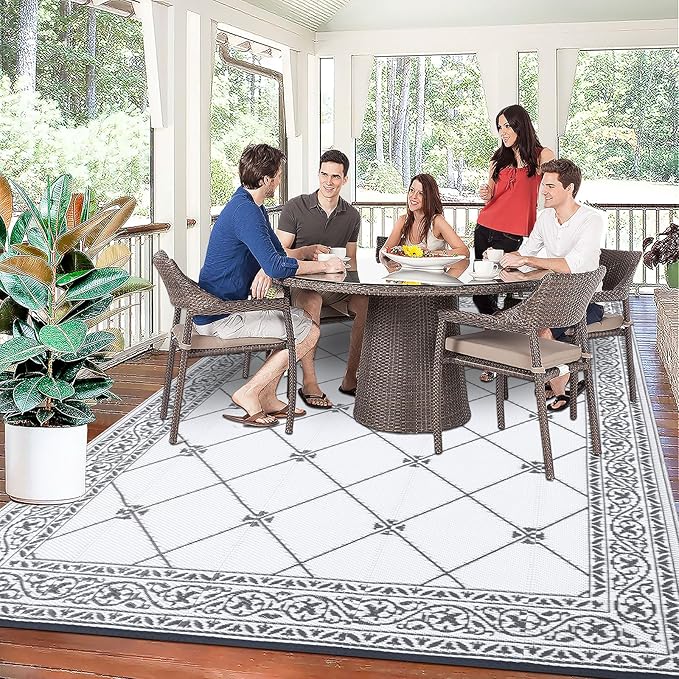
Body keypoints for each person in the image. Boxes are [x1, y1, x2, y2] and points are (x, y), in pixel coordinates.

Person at [194, 144, 344, 427]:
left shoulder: (251, 206)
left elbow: (277, 254)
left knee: (299, 324)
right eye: (278, 174)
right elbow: (275, 266)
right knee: (308, 331)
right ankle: (249, 392)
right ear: (266, 179)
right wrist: (325, 267)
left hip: (226, 308)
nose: (280, 179)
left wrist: (307, 251)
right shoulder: (246, 212)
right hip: (221, 316)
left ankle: (268, 396)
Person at [499, 158, 606, 412]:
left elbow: (572, 265)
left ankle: (561, 389)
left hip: (585, 301)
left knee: (540, 327)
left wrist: (527, 261)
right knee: (512, 319)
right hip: (551, 297)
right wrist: (506, 260)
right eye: (542, 185)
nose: (543, 191)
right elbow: (527, 252)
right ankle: (559, 375)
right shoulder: (545, 217)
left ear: (569, 189)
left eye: (550, 186)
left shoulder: (592, 220)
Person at [276, 149, 368, 408]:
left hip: (337, 288)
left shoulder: (352, 215)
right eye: (324, 174)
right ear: (318, 175)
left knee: (365, 302)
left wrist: (352, 279)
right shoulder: (296, 207)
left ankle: (351, 378)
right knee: (313, 300)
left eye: (335, 176)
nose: (329, 181)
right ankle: (309, 382)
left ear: (345, 179)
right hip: (302, 286)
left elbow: (351, 261)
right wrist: (309, 254)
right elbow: (280, 253)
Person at [473, 104, 554, 382]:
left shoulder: (542, 156)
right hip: (485, 227)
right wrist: (486, 193)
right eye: (500, 127)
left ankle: (500, 352)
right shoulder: (498, 158)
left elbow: (555, 186)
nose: (503, 132)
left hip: (513, 234)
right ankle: (496, 349)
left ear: (520, 125)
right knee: (481, 292)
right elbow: (491, 193)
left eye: (507, 125)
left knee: (507, 290)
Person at [381, 173, 469, 257]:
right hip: (408, 268)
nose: (413, 196)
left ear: (429, 198)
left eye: (421, 193)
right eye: (412, 190)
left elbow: (464, 251)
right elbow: (383, 251)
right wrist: (387, 261)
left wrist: (431, 253)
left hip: (435, 268)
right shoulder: (402, 220)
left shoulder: (437, 221)